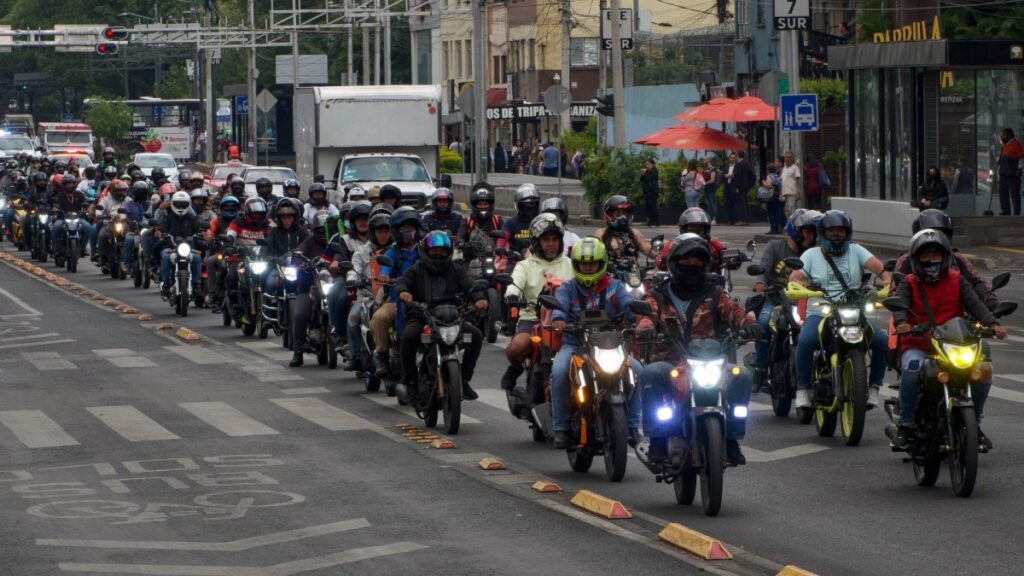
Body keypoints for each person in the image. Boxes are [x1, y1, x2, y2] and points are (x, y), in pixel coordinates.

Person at [636, 233, 759, 465]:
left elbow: (735, 312)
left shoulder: (714, 294)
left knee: (741, 375)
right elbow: (646, 316)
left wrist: (750, 324)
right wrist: (645, 328)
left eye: (697, 261)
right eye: (685, 260)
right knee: (650, 373)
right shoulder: (657, 295)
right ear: (673, 264)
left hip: (710, 361)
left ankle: (732, 437)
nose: (691, 265)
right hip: (670, 360)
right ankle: (658, 439)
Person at [888, 229, 1006, 451]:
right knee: (912, 368)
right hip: (920, 344)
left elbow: (975, 304)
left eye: (936, 255)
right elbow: (899, 307)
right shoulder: (909, 283)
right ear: (916, 259)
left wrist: (993, 324)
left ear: (945, 258)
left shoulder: (957, 280)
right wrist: (903, 323)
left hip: (954, 343)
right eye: (925, 256)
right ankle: (905, 425)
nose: (931, 260)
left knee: (984, 368)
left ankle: (976, 425)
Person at [789, 210, 890, 409]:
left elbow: (882, 270)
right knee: (806, 341)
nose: (836, 235)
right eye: (831, 231)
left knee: (880, 341)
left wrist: (887, 281)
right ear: (822, 233)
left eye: (841, 231)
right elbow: (795, 277)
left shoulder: (857, 251)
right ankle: (802, 390)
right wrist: (800, 287)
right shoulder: (810, 254)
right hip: (820, 311)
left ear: (848, 233)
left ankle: (874, 388)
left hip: (853, 310)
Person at [549, 237, 640, 448]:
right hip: (576, 345)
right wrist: (559, 320)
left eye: (592, 263)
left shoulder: (615, 286)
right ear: (576, 265)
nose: (588, 268)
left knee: (639, 371)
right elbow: (559, 307)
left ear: (602, 264)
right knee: (559, 371)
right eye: (584, 263)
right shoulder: (567, 288)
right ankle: (561, 427)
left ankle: (634, 426)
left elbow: (628, 305)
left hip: (611, 345)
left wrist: (639, 318)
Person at [395, 231, 486, 402]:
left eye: (443, 251)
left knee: (476, 336)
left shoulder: (456, 269)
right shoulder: (416, 269)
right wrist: (404, 292)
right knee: (408, 337)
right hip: (422, 316)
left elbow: (470, 285)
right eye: (434, 250)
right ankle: (410, 381)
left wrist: (479, 298)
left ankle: (464, 379)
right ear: (425, 251)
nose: (438, 254)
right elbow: (402, 283)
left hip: (450, 316)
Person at [749, 209, 822, 391]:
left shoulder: (814, 252)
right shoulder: (775, 246)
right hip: (776, 300)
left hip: (806, 302)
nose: (810, 236)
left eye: (813, 232)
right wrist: (760, 282)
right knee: (763, 324)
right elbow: (764, 269)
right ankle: (759, 370)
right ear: (794, 231)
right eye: (807, 231)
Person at [501, 214, 574, 392]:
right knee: (516, 348)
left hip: (565, 322)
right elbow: (514, 285)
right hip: (532, 319)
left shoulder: (571, 264)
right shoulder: (525, 265)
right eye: (546, 239)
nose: (551, 244)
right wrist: (512, 296)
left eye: (555, 239)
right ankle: (516, 368)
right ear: (536, 242)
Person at [370, 207, 422, 376]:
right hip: (396, 300)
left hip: (422, 301)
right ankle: (382, 355)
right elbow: (384, 268)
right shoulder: (392, 251)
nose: (409, 232)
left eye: (412, 228)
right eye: (404, 228)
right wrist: (384, 276)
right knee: (379, 318)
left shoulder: (423, 250)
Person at [286, 213, 343, 367]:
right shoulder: (307, 244)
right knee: (300, 314)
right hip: (308, 287)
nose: (323, 235)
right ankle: (298, 352)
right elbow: (296, 257)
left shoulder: (336, 244)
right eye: (319, 231)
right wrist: (301, 265)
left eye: (326, 230)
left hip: (331, 284)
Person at [344, 208, 393, 369]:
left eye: (386, 231)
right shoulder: (363, 251)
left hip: (391, 297)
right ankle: (355, 354)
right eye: (380, 231)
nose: (383, 235)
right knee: (353, 317)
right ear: (373, 232)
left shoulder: (396, 250)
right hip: (366, 297)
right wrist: (352, 279)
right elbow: (354, 268)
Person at [155, 191, 203, 298]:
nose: (181, 207)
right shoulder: (169, 217)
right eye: (178, 204)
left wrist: (201, 234)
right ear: (173, 204)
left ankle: (197, 284)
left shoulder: (192, 218)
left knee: (197, 258)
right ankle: (165, 283)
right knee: (166, 256)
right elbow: (162, 227)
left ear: (188, 205)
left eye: (183, 204)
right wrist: (160, 232)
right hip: (171, 247)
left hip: (188, 248)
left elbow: (199, 230)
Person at [594, 195, 652, 264]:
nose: (622, 218)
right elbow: (593, 255)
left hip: (632, 273)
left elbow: (649, 250)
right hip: (609, 273)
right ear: (609, 215)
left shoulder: (635, 233)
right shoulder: (601, 233)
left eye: (624, 214)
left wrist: (665, 252)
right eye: (618, 215)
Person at [51, 174, 93, 259]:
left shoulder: (79, 194)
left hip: (78, 218)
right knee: (55, 227)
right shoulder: (60, 195)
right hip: (63, 218)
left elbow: (85, 204)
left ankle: (82, 248)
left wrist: (86, 208)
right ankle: (57, 250)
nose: (69, 185)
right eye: (67, 184)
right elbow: (56, 205)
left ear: (74, 184)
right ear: (63, 185)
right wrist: (55, 208)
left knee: (87, 227)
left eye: (71, 183)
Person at [94, 179, 130, 272]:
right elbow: (99, 209)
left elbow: (132, 209)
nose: (122, 193)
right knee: (102, 236)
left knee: (132, 238)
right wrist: (99, 214)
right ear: (113, 191)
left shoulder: (128, 200)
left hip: (125, 225)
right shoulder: (106, 199)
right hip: (109, 224)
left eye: (124, 190)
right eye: (120, 190)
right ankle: (103, 258)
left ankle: (132, 259)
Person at [499, 183, 541, 257]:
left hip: (538, 261)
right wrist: (499, 247)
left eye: (532, 204)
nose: (529, 207)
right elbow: (503, 237)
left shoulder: (542, 222)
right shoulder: (510, 223)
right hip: (514, 261)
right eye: (526, 204)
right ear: (518, 205)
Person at [997, 128, 1023, 215]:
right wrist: (999, 161)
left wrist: (1019, 169)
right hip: (1003, 172)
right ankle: (1006, 210)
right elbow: (1001, 156)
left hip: (1013, 173)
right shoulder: (1004, 145)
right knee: (1002, 191)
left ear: (1008, 135)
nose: (1002, 136)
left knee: (1014, 192)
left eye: (1003, 134)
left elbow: (1021, 157)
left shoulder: (1016, 144)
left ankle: (1016, 211)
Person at [763, 163, 785, 234]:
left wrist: (764, 183)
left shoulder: (769, 177)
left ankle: (773, 228)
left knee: (770, 212)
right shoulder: (778, 177)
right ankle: (778, 227)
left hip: (771, 196)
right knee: (776, 212)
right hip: (777, 195)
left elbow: (769, 186)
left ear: (768, 170)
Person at [780, 150, 802, 217]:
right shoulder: (784, 169)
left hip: (792, 192)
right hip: (784, 193)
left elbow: (798, 180)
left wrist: (798, 191)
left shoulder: (795, 168)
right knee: (786, 211)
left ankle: (792, 226)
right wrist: (780, 192)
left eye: (789, 157)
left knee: (791, 210)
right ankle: (788, 225)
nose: (787, 159)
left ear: (792, 158)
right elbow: (781, 181)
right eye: (786, 157)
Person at [640, 159, 660, 227]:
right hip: (647, 191)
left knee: (653, 206)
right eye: (646, 164)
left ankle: (655, 221)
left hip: (653, 191)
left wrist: (645, 176)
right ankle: (650, 221)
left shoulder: (655, 170)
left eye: (648, 164)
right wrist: (642, 175)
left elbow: (650, 178)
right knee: (648, 206)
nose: (647, 165)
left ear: (652, 164)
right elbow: (642, 180)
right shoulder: (646, 171)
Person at [702, 156, 719, 224]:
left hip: (711, 188)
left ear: (708, 160)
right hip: (707, 188)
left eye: (705, 160)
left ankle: (714, 218)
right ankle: (710, 218)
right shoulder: (706, 169)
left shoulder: (713, 169)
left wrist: (704, 183)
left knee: (712, 203)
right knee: (709, 204)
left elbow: (712, 180)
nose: (704, 161)